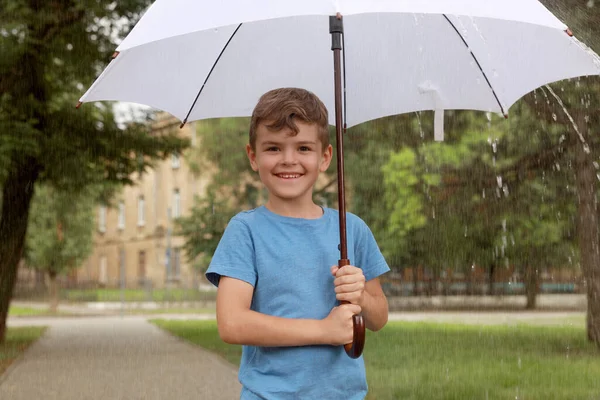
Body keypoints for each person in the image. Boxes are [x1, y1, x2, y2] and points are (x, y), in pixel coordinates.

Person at [205, 87, 390, 400]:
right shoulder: (245, 231)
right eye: (274, 148)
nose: (288, 160)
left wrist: (360, 295)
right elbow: (232, 323)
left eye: (303, 148)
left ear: (325, 157)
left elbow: (378, 317)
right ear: (253, 156)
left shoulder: (352, 229)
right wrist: (323, 331)